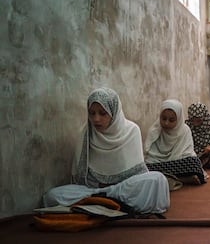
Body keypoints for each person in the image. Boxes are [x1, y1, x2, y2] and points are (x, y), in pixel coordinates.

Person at [42, 87, 170, 214]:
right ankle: (107, 202)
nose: (96, 119)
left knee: (158, 180)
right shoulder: (86, 133)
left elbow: (138, 174)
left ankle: (99, 202)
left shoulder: (132, 131)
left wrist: (114, 188)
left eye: (102, 113)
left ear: (114, 112)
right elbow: (81, 179)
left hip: (122, 190)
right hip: (93, 191)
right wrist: (98, 188)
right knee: (52, 196)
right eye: (92, 113)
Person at [144, 99, 206, 187]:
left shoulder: (185, 130)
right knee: (146, 167)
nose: (166, 123)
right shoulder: (154, 131)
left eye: (171, 120)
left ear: (179, 119)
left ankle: (168, 178)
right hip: (158, 164)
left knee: (194, 162)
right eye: (164, 118)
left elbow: (187, 153)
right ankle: (182, 179)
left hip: (178, 163)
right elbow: (148, 155)